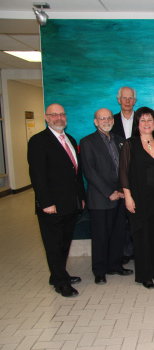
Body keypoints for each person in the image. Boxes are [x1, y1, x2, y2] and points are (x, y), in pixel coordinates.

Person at [28, 103, 86, 297]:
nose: (59, 118)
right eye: (54, 115)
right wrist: (45, 203)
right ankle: (61, 283)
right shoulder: (38, 141)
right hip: (51, 205)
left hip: (70, 203)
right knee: (53, 243)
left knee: (64, 242)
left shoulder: (69, 138)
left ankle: (58, 273)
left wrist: (81, 197)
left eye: (62, 114)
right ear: (46, 118)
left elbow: (76, 173)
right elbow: (37, 176)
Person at [119, 107, 154, 289]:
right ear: (137, 124)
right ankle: (144, 275)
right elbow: (123, 173)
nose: (147, 123)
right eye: (143, 120)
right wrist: (128, 196)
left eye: (150, 120)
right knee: (141, 236)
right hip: (138, 198)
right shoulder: (130, 144)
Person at [80, 108, 132, 285]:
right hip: (100, 198)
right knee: (100, 236)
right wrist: (109, 192)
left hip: (120, 196)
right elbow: (89, 171)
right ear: (96, 121)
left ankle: (115, 265)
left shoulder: (120, 141)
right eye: (102, 118)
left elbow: (125, 168)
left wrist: (123, 190)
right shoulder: (87, 142)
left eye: (109, 118)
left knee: (118, 233)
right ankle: (100, 270)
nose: (106, 120)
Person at [111, 86, 137, 265]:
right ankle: (123, 253)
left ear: (134, 100)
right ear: (119, 100)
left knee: (137, 218)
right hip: (118, 178)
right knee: (120, 220)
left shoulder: (143, 121)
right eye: (124, 98)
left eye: (130, 98)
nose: (127, 101)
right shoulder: (110, 121)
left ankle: (138, 251)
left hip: (139, 178)